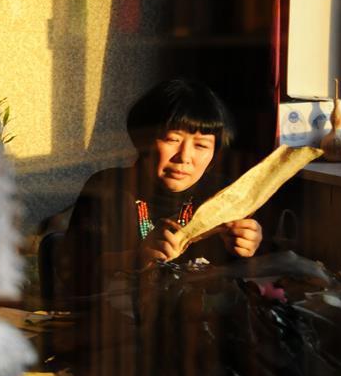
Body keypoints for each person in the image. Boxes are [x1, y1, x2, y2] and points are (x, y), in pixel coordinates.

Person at [62, 78, 263, 297]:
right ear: (143, 141)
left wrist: (249, 247)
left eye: (201, 145)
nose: (184, 157)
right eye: (172, 139)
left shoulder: (223, 196)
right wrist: (135, 258)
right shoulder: (107, 188)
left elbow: (246, 281)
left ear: (214, 153)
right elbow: (73, 269)